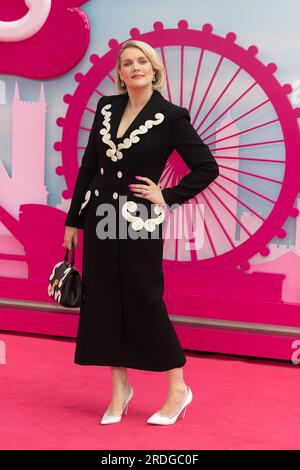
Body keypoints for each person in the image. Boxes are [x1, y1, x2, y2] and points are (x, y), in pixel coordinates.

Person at [63, 39, 219, 425]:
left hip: (138, 220)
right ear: (119, 72)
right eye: (127, 62)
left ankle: (178, 390)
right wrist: (73, 220)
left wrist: (165, 196)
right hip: (100, 217)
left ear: (154, 69)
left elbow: (206, 167)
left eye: (142, 61)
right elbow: (89, 165)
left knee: (144, 301)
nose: (135, 67)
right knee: (103, 302)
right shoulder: (106, 107)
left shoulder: (171, 116)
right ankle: (119, 391)